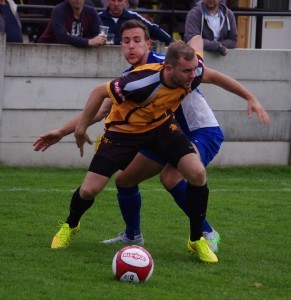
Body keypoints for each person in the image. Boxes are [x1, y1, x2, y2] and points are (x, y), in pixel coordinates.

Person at [34, 22, 269, 261]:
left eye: (137, 40)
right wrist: (65, 130)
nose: (131, 46)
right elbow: (101, 105)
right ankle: (120, 234)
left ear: (149, 43)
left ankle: (203, 236)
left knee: (182, 175)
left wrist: (250, 97)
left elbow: (202, 57)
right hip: (133, 134)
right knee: (114, 183)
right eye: (126, 41)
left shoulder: (180, 64)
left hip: (195, 130)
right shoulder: (134, 79)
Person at [98, 0, 173, 45]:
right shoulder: (98, 17)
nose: (116, 4)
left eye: (120, 0)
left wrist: (171, 41)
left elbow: (153, 29)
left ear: (125, 2)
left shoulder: (133, 16)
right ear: (108, 1)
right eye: (113, 0)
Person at [37, 0, 107, 47]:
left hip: (78, 54)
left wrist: (100, 40)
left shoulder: (91, 12)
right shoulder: (59, 10)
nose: (77, 0)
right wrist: (88, 42)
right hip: (48, 51)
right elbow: (62, 37)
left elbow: (99, 35)